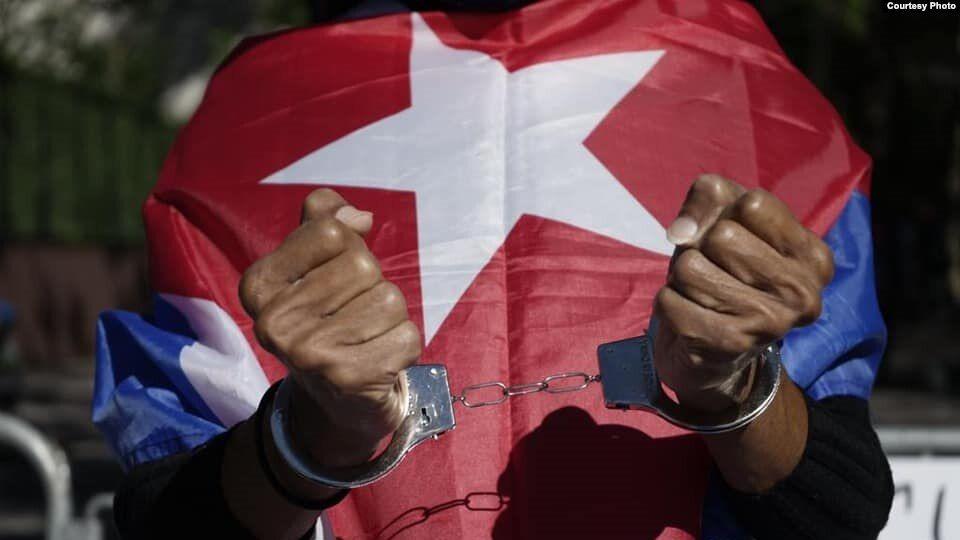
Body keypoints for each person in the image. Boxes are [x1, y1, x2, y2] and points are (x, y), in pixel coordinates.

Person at [95, 1, 894, 538]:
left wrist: (738, 392)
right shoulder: (250, 114)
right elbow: (162, 511)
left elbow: (844, 506)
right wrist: (311, 438)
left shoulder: (762, 96)